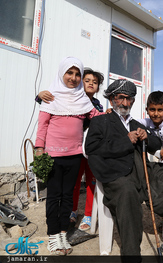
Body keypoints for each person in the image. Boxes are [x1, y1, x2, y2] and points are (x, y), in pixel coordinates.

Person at [85, 80, 163, 260]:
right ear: (112, 99)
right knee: (128, 193)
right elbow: (92, 149)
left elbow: (156, 144)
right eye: (121, 98)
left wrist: (146, 137)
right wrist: (126, 140)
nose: (125, 103)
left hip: (142, 170)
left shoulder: (135, 123)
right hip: (117, 175)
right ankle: (132, 255)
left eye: (130, 99)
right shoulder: (100, 121)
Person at [34, 57, 103, 255]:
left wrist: (112, 114)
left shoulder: (82, 100)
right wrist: (39, 149)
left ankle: (63, 232)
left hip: (75, 156)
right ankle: (53, 235)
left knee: (67, 196)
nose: (73, 78)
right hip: (53, 156)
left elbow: (97, 117)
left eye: (77, 74)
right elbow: (43, 125)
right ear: (62, 74)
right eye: (69, 73)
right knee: (53, 196)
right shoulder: (50, 97)